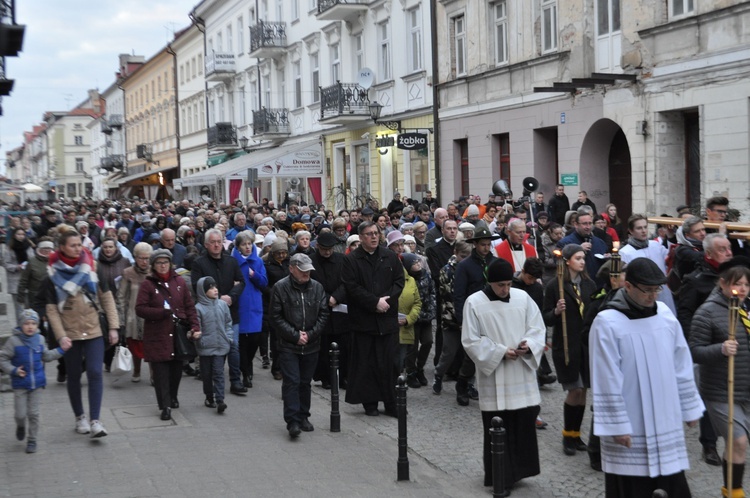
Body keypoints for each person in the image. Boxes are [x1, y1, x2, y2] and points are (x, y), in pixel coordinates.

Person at [590, 257, 704, 498]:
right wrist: (617, 425)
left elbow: (681, 363)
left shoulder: (664, 316)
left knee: (673, 483)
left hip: (665, 417)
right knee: (632, 488)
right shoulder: (607, 322)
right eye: (647, 290)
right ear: (627, 286)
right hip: (631, 423)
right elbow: (605, 376)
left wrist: (689, 407)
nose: (653, 296)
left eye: (657, 289)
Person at [461, 258, 546, 492]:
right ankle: (502, 477)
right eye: (501, 285)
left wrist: (528, 345)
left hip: (521, 374)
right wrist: (499, 352)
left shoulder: (523, 298)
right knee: (498, 428)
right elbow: (470, 340)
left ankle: (520, 470)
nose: (506, 289)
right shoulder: (474, 303)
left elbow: (537, 328)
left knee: (522, 425)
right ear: (490, 282)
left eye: (509, 284)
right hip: (495, 377)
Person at [44, 229, 120, 438]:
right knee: (74, 375)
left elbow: (107, 298)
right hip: (70, 334)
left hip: (94, 329)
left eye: (80, 244)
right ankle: (80, 417)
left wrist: (113, 327)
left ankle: (96, 420)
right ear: (62, 247)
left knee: (95, 372)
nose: (78, 248)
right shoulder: (51, 274)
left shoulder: (92, 267)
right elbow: (51, 309)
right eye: (73, 245)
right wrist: (61, 336)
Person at [689, 259, 750, 497]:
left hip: (746, 388)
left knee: (737, 445)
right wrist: (721, 349)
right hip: (722, 390)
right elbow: (695, 350)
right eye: (738, 284)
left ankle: (729, 488)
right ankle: (734, 492)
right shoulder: (707, 311)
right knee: (739, 441)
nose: (743, 289)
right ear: (723, 284)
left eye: (746, 284)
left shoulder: (747, 308)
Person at [342, 221, 404, 417]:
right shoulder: (352, 260)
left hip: (387, 319)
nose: (374, 237)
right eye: (369, 234)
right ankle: (370, 403)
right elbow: (351, 287)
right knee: (366, 364)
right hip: (364, 321)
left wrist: (386, 300)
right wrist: (374, 302)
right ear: (360, 238)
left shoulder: (389, 256)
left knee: (390, 364)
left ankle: (392, 403)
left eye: (376, 233)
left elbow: (399, 281)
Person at [543, 243, 597, 456]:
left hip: (585, 346)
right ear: (567, 262)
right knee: (574, 390)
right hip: (566, 345)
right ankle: (567, 435)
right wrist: (556, 311)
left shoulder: (589, 285)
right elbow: (546, 318)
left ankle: (576, 435)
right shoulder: (554, 286)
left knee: (583, 392)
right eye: (578, 258)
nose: (582, 262)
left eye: (583, 258)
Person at [136, 249, 200, 421]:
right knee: (160, 372)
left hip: (177, 334)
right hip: (157, 335)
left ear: (170, 264)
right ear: (153, 265)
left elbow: (189, 306)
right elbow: (140, 308)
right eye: (159, 263)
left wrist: (194, 325)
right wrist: (160, 312)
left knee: (175, 371)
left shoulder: (179, 281)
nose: (162, 266)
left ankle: (173, 396)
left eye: (165, 262)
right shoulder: (148, 284)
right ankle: (164, 406)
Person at [270, 253, 329, 437]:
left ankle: (304, 416)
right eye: (303, 271)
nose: (306, 274)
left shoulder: (317, 288)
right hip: (288, 345)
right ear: (292, 268)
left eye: (308, 271)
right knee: (292, 382)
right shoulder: (280, 288)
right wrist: (295, 335)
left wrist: (310, 335)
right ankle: (293, 420)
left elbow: (323, 313)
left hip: (311, 344)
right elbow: (276, 317)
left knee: (305, 382)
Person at [0, 309, 69, 454]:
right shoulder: (13, 341)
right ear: (20, 325)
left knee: (34, 413)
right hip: (20, 384)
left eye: (33, 323)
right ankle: (20, 426)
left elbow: (47, 356)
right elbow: (3, 359)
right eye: (26, 323)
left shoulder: (40, 339)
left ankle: (32, 440)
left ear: (37, 325)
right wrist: (14, 370)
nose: (30, 327)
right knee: (20, 414)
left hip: (37, 383)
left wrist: (61, 350)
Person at [191, 229, 246, 394]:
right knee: (215, 350)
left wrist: (231, 296)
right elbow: (197, 285)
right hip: (209, 313)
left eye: (219, 242)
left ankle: (235, 381)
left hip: (230, 311)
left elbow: (241, 282)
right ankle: (215, 382)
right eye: (213, 242)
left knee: (233, 346)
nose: (216, 245)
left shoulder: (231, 262)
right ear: (206, 244)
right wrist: (217, 298)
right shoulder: (199, 263)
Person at [453, 227, 500, 406]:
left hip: (493, 314)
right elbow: (458, 294)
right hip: (472, 314)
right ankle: (462, 385)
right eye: (482, 245)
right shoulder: (465, 266)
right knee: (471, 356)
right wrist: (461, 320)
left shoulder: (495, 262)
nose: (486, 248)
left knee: (494, 351)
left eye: (488, 245)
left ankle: (492, 388)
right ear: (475, 245)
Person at [310, 232, 349, 389]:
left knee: (344, 345)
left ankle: (343, 376)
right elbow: (311, 284)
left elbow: (348, 282)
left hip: (340, 309)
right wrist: (327, 299)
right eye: (324, 249)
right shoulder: (312, 262)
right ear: (318, 247)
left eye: (330, 249)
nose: (327, 252)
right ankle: (326, 377)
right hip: (321, 308)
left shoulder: (341, 260)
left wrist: (336, 297)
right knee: (324, 346)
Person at [433, 240, 473, 394]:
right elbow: (448, 295)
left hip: (469, 318)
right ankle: (438, 374)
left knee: (471, 353)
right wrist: (459, 317)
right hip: (451, 318)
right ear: (455, 253)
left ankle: (469, 382)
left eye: (468, 256)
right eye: (463, 256)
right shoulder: (446, 270)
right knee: (449, 351)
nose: (466, 259)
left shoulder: (471, 268)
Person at [618, 214, 676, 315]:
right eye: (639, 228)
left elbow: (671, 257)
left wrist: (671, 236)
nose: (644, 231)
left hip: (663, 293)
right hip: (643, 297)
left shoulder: (655, 245)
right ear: (631, 231)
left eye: (645, 227)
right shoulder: (625, 252)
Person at [232, 231, 267, 389]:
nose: (247, 247)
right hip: (239, 304)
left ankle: (247, 366)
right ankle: (246, 373)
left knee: (254, 340)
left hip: (254, 305)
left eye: (249, 244)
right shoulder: (233, 261)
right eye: (244, 244)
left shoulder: (258, 261)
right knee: (242, 342)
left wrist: (255, 276)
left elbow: (264, 282)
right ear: (238, 247)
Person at [194, 276, 233, 414]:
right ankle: (209, 397)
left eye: (215, 287)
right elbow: (196, 327)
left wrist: (229, 337)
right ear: (203, 291)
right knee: (206, 374)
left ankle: (220, 400)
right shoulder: (198, 308)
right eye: (210, 288)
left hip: (220, 346)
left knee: (218, 373)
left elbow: (228, 322)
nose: (215, 290)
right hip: (205, 347)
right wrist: (198, 337)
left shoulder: (222, 305)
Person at [117, 242, 152, 383]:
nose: (144, 261)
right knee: (135, 346)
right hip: (133, 316)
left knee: (151, 346)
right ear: (135, 258)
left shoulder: (153, 273)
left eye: (147, 258)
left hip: (150, 315)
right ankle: (136, 370)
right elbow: (121, 297)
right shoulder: (128, 273)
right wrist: (121, 319)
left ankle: (153, 374)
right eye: (141, 258)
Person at [97, 237, 132, 373]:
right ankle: (107, 361)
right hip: (104, 303)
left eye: (110, 247)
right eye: (105, 247)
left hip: (121, 302)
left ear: (116, 248)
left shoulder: (124, 262)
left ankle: (119, 360)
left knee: (120, 332)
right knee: (107, 332)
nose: (108, 249)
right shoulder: (97, 264)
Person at [557, 210, 607, 284]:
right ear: (576, 224)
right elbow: (560, 263)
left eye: (590, 223)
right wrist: (577, 250)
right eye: (584, 224)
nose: (588, 227)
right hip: (576, 285)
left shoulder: (600, 242)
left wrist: (607, 258)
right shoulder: (565, 243)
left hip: (598, 286)